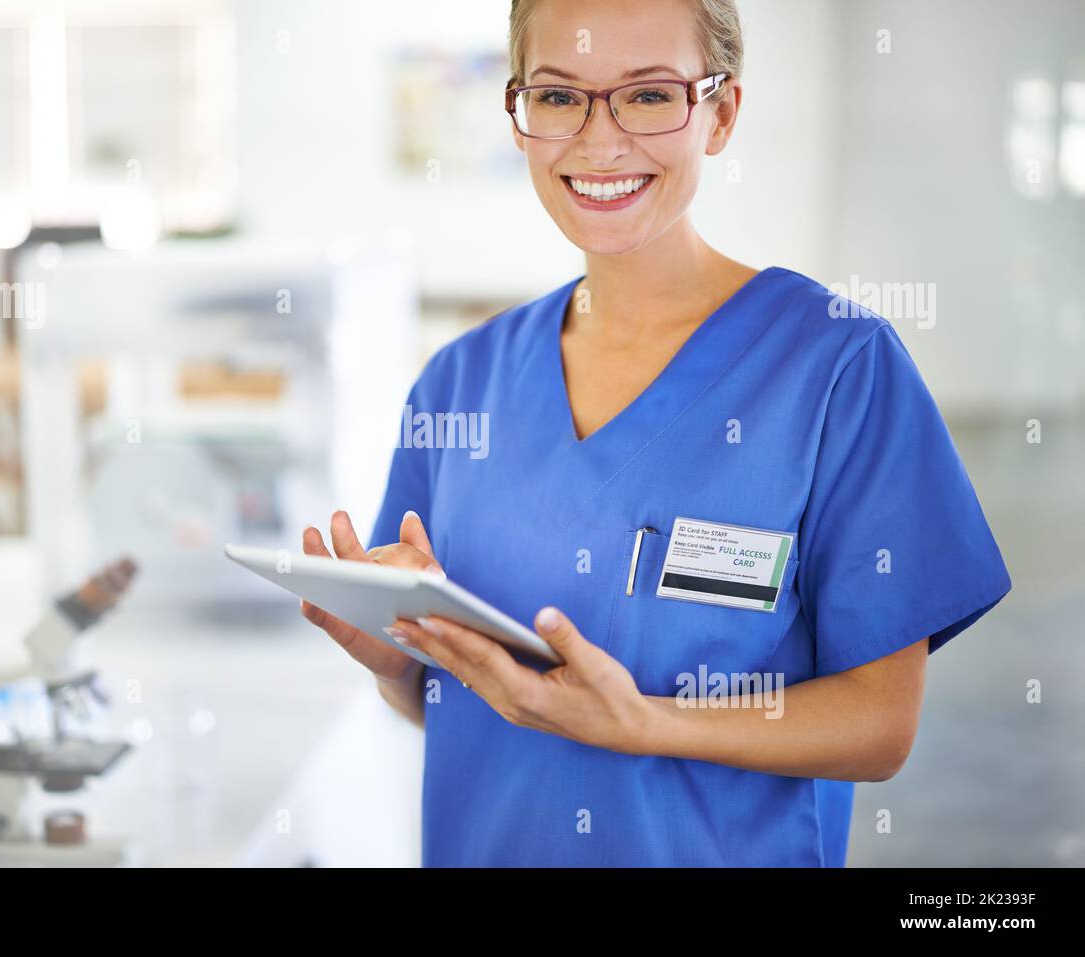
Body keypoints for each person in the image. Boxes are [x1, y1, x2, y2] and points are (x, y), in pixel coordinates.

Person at [300, 0, 1011, 866]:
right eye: (560, 97)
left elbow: (880, 724)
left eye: (647, 96)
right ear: (520, 114)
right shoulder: (461, 382)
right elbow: (446, 704)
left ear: (721, 113)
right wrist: (395, 659)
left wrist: (648, 723)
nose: (599, 141)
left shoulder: (837, 369)